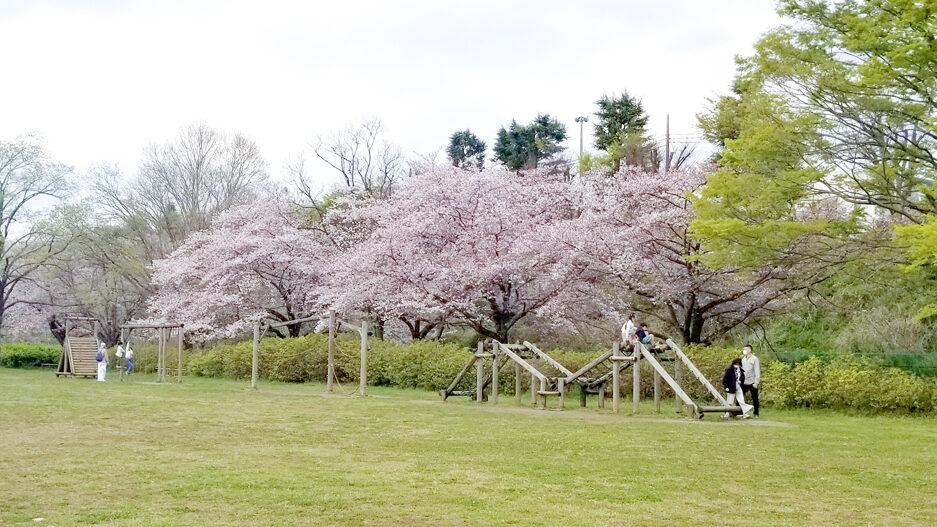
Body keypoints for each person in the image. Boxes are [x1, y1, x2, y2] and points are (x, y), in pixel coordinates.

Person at [741, 345, 760, 417]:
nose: (744, 350)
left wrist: (756, 382)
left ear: (750, 350)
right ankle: (740, 412)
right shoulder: (743, 359)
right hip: (744, 381)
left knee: (755, 398)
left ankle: (756, 413)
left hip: (752, 381)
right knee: (740, 397)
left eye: (745, 349)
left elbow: (757, 371)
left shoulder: (754, 359)